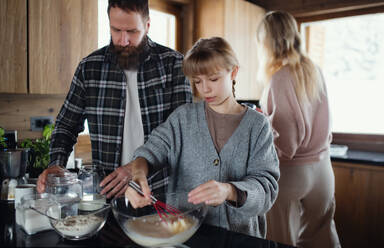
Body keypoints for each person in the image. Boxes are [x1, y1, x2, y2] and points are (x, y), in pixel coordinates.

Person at [124, 37, 280, 238]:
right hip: (185, 236)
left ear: (233, 72)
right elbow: (148, 154)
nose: (204, 89)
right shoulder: (182, 118)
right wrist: (138, 177)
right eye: (197, 81)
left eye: (213, 79)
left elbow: (266, 189)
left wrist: (229, 191)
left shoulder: (258, 126)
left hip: (239, 238)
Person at [36, 0, 192, 198]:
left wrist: (136, 167)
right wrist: (56, 165)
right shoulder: (89, 68)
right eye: (116, 30)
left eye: (132, 31)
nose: (123, 40)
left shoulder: (175, 65)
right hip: (109, 197)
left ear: (147, 26)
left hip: (161, 194)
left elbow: (181, 133)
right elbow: (66, 126)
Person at [256, 11, 341, 248]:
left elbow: (287, 145)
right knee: (322, 235)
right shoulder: (313, 69)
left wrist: (263, 126)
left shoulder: (279, 78)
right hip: (323, 171)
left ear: (267, 41)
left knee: (281, 241)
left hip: (292, 175)